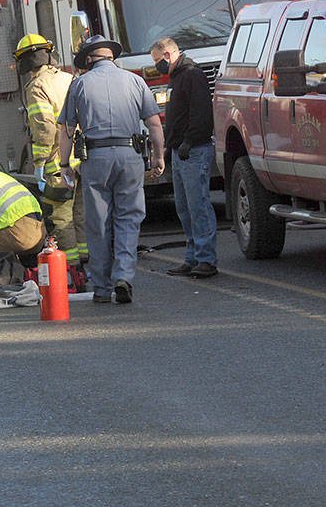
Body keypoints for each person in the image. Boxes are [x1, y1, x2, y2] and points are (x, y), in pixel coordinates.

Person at [57, 35, 165, 304]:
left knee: (98, 223)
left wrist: (64, 164)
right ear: (111, 56)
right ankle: (124, 276)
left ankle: (102, 288)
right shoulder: (135, 81)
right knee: (128, 218)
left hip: (96, 159)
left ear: (89, 59)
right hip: (130, 156)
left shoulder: (79, 84)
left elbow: (67, 130)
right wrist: (159, 156)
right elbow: (154, 123)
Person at [15, 33, 86, 267]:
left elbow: (45, 129)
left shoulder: (37, 86)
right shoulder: (69, 78)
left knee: (61, 218)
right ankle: (88, 260)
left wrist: (39, 164)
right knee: (81, 214)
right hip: (81, 158)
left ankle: (72, 268)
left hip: (58, 164)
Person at [149, 37, 218, 278]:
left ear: (168, 55)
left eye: (157, 60)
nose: (156, 65)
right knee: (185, 208)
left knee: (198, 206)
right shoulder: (176, 77)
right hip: (180, 151)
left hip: (194, 151)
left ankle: (206, 259)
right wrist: (172, 147)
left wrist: (190, 140)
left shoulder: (192, 75)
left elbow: (202, 113)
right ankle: (193, 258)